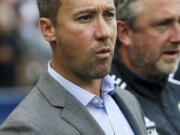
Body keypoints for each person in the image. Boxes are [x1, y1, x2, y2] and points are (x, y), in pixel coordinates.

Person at [0, 0, 147, 135]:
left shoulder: (128, 100)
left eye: (109, 15)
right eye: (85, 18)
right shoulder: (25, 127)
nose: (104, 32)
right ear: (48, 29)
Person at [111, 0, 180, 135]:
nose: (177, 37)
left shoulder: (176, 86)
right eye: (163, 24)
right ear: (125, 33)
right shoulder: (106, 99)